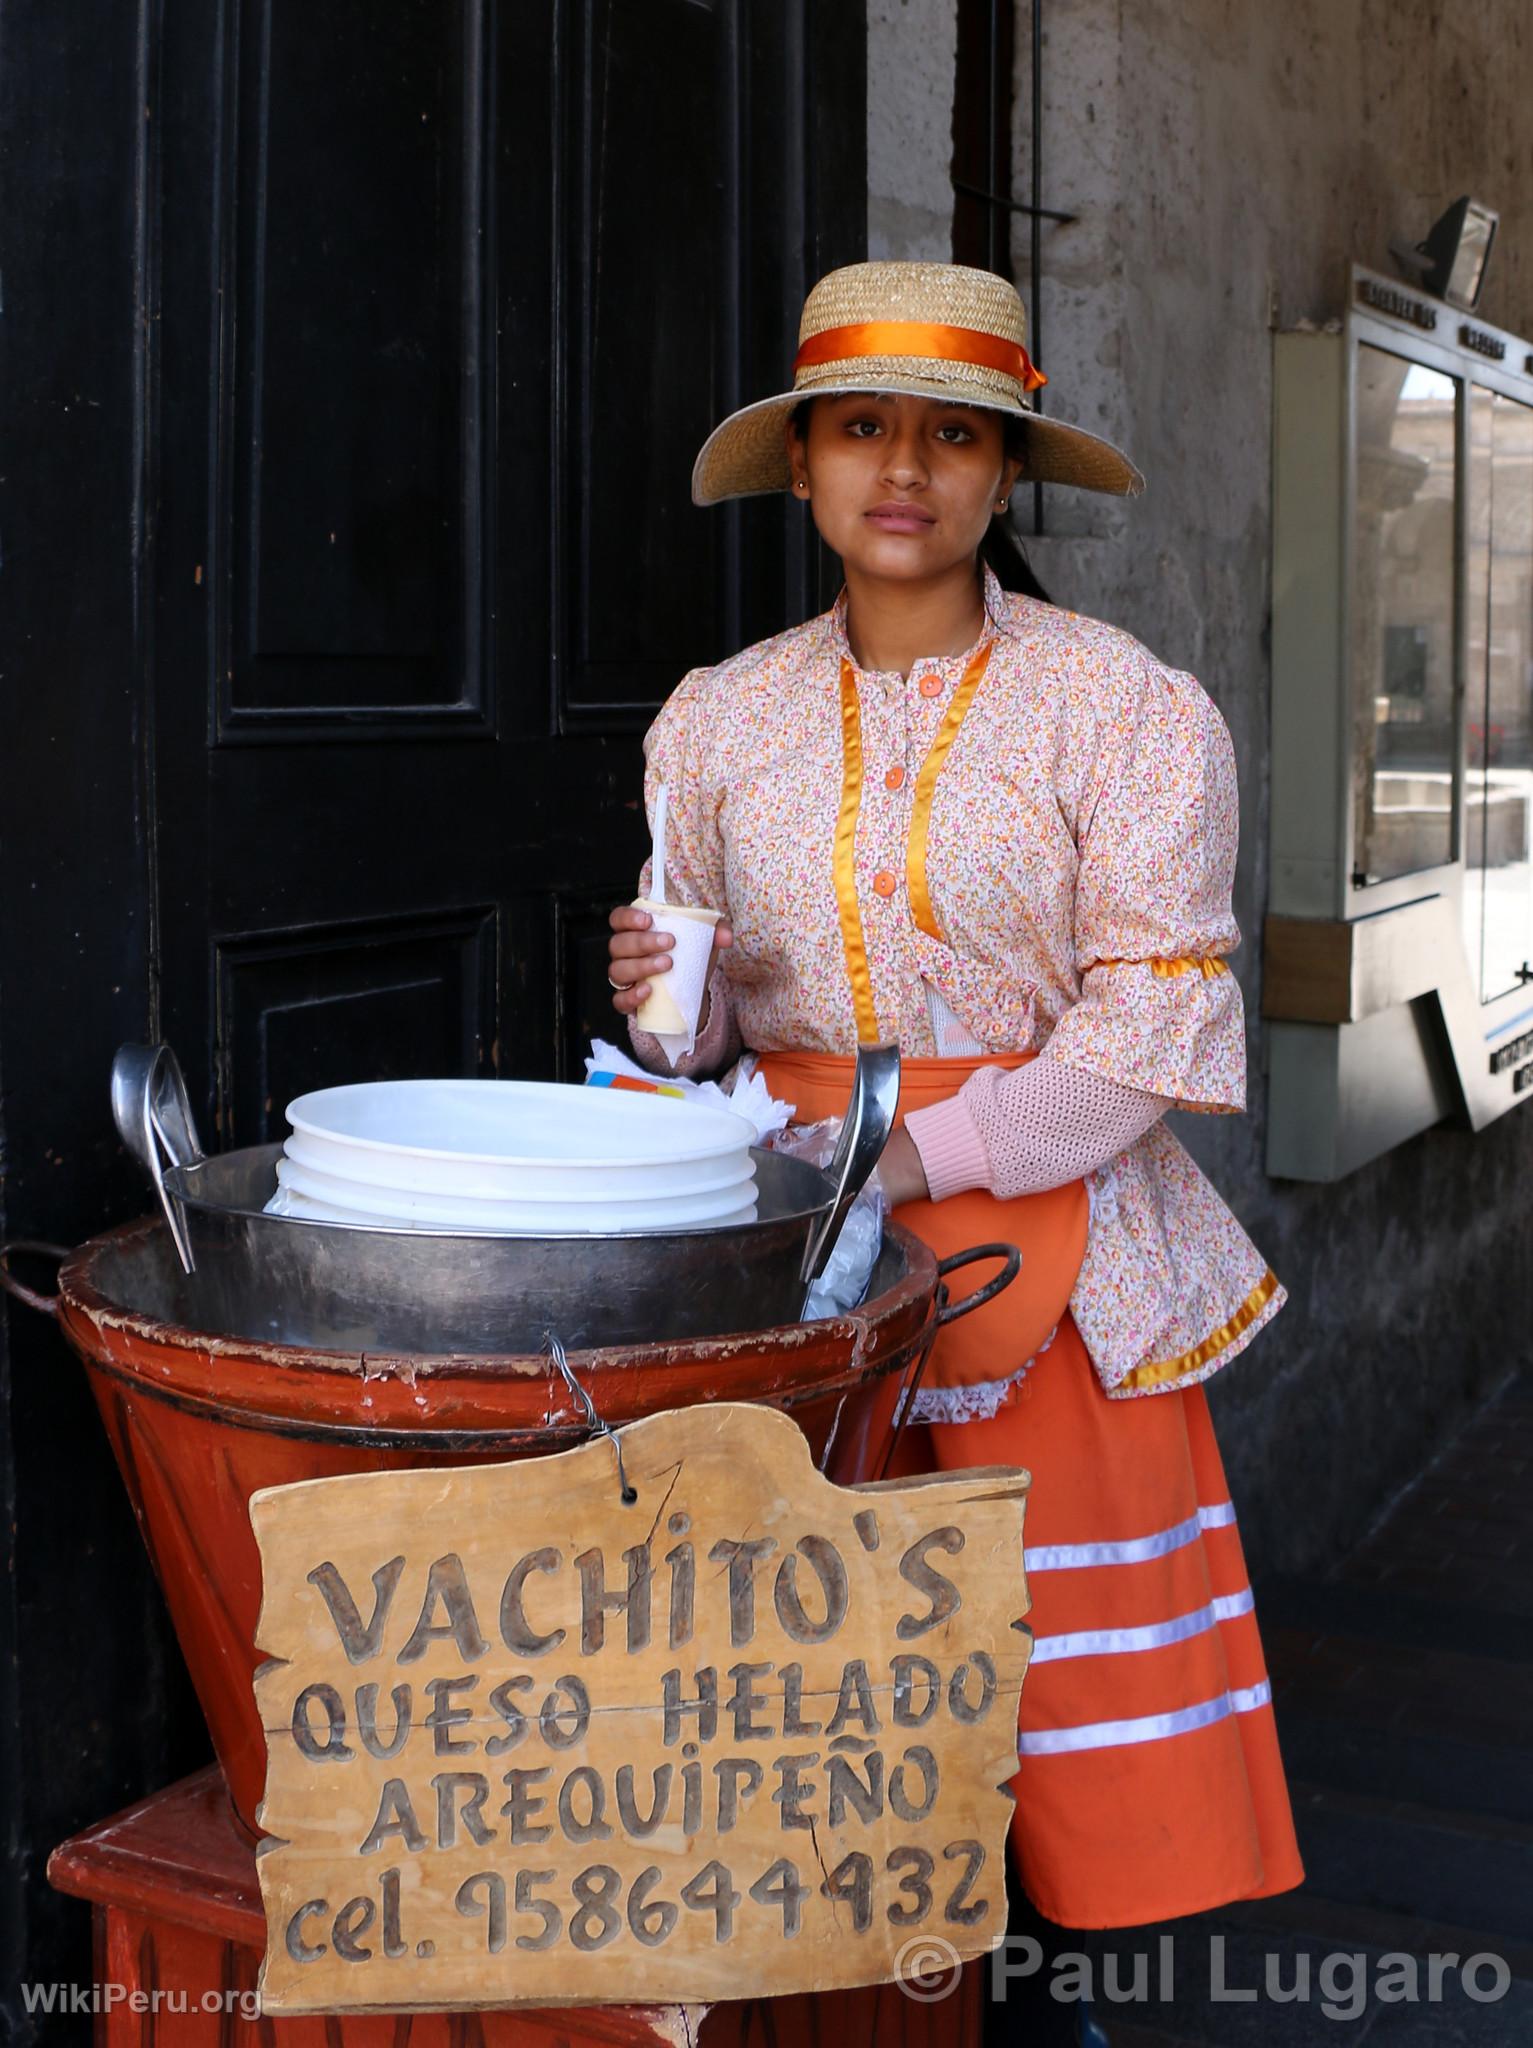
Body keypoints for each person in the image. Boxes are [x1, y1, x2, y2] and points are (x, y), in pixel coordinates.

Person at [607, 261, 1303, 2034]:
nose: (900, 466)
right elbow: (695, 1035)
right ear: (803, 469)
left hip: (1044, 1235)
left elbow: (1150, 1017)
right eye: (859, 428)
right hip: (785, 1233)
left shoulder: (1121, 707)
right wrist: (666, 1017)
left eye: (951, 434)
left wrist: (917, 1157)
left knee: (1020, 1674)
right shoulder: (715, 716)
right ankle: (847, 1998)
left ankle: (1034, 1992)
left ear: (1007, 476)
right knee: (814, 1645)